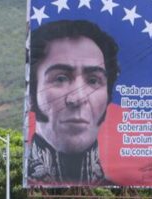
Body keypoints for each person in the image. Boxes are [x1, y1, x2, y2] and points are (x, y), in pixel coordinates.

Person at [27, 19, 119, 186]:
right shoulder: (12, 190)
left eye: (93, 80)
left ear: (108, 97)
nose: (78, 98)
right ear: (31, 95)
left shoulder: (118, 191)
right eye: (60, 78)